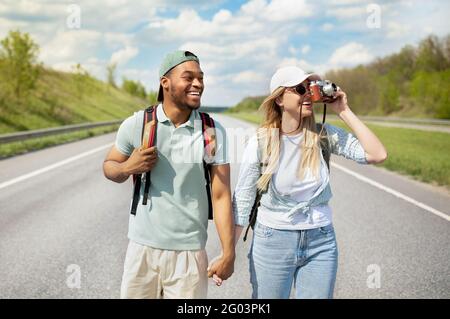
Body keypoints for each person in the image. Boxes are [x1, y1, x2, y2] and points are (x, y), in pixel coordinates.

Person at [231, 66, 388, 299]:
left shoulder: (323, 135)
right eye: (299, 89)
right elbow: (243, 198)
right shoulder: (261, 142)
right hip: (274, 239)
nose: (307, 94)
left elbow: (377, 154)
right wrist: (228, 252)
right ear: (280, 99)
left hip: (321, 240)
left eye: (310, 89)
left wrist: (343, 110)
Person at [103, 50, 235, 299]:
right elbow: (109, 165)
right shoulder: (138, 124)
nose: (198, 84)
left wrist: (229, 252)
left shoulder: (211, 131)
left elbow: (220, 196)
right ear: (165, 82)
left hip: (189, 255)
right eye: (189, 77)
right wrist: (127, 167)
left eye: (201, 78)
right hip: (142, 251)